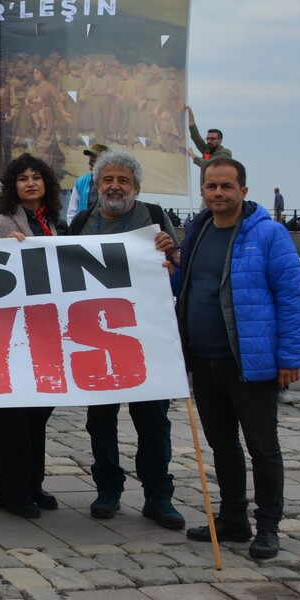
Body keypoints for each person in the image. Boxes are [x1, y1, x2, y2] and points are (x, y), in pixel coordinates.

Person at [167, 158, 300, 560]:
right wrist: (168, 258)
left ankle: (268, 528)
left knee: (263, 448)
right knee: (222, 446)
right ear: (204, 190)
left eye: (226, 186)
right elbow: (185, 283)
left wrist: (289, 357)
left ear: (243, 191)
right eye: (211, 186)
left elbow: (291, 299)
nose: (218, 193)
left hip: (251, 362)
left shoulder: (270, 235)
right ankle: (232, 519)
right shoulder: (198, 229)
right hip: (204, 359)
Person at [68, 149, 183, 528]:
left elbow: (179, 269)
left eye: (123, 181)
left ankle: (158, 495)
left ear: (136, 187)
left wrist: (172, 257)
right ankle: (108, 488)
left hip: (144, 337)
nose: (115, 186)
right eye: (108, 180)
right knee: (100, 420)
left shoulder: (152, 216)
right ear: (96, 186)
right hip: (97, 338)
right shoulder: (83, 222)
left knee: (152, 420)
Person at [0, 152, 67, 518]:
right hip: (13, 334)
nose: (30, 182)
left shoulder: (54, 224)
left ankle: (33, 482)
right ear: (13, 186)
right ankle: (11, 490)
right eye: (23, 178)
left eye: (37, 177)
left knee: (38, 414)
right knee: (14, 415)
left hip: (47, 331)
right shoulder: (2, 224)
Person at [185, 105, 232, 183]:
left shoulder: (225, 153)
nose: (209, 141)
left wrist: (191, 154)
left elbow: (209, 164)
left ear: (220, 140)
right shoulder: (207, 150)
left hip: (220, 191)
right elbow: (195, 135)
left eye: (213, 139)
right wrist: (189, 112)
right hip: (206, 191)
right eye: (208, 139)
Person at [65, 144, 108, 224]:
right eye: (90, 157)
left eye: (95, 157)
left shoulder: (113, 183)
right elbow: (72, 212)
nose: (90, 160)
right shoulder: (81, 182)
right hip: (85, 231)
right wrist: (74, 232)